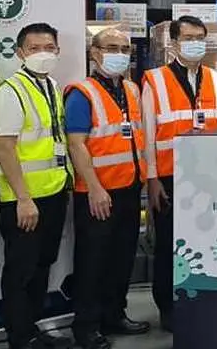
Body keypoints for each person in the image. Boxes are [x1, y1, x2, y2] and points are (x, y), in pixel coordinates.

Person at [65, 28, 150, 349]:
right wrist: (94, 188)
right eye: (112, 47)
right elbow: (76, 144)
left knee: (122, 257)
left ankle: (115, 314)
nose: (120, 54)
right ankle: (86, 326)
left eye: (125, 49)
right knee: (93, 261)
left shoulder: (131, 89)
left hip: (129, 187)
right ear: (95, 53)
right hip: (98, 192)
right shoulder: (82, 93)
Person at [0, 23, 73, 349]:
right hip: (24, 200)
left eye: (49, 48)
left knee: (42, 266)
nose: (43, 54)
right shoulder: (11, 92)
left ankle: (32, 329)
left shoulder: (51, 85)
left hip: (52, 193)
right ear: (20, 52)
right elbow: (5, 147)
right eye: (35, 48)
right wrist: (23, 199)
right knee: (21, 272)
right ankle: (20, 337)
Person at [142, 16, 217, 332]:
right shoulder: (155, 80)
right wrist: (152, 179)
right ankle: (168, 307)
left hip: (207, 178)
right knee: (168, 245)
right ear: (174, 43)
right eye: (188, 38)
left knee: (203, 242)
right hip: (169, 177)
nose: (195, 43)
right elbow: (148, 134)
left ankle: (200, 300)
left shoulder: (214, 79)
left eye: (200, 37)